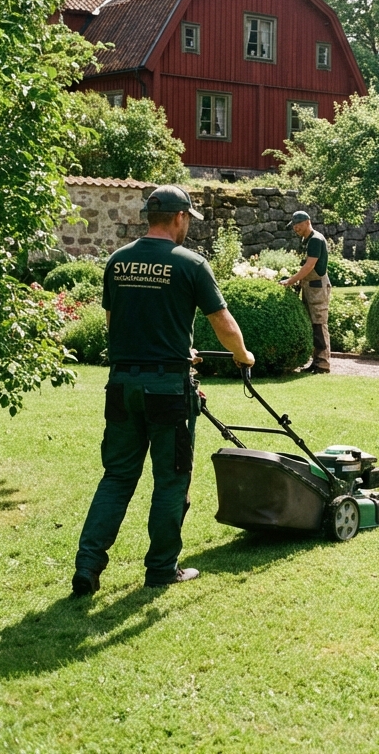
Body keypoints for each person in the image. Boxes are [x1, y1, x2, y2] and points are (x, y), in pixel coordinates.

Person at [72, 185, 254, 596]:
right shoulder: (190, 263)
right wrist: (243, 356)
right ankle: (160, 569)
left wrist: (168, 348)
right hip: (168, 389)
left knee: (117, 476)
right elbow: (222, 321)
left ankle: (87, 564)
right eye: (188, 218)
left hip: (121, 384)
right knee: (171, 479)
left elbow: (114, 321)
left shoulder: (118, 262)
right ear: (179, 218)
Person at [280, 211, 332, 374]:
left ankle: (323, 364)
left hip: (317, 287)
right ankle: (315, 362)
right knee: (312, 325)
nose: (296, 228)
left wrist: (290, 280)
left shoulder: (315, 240)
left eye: (298, 224)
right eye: (294, 225)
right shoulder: (307, 240)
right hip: (310, 286)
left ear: (308, 222)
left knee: (318, 324)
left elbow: (309, 266)